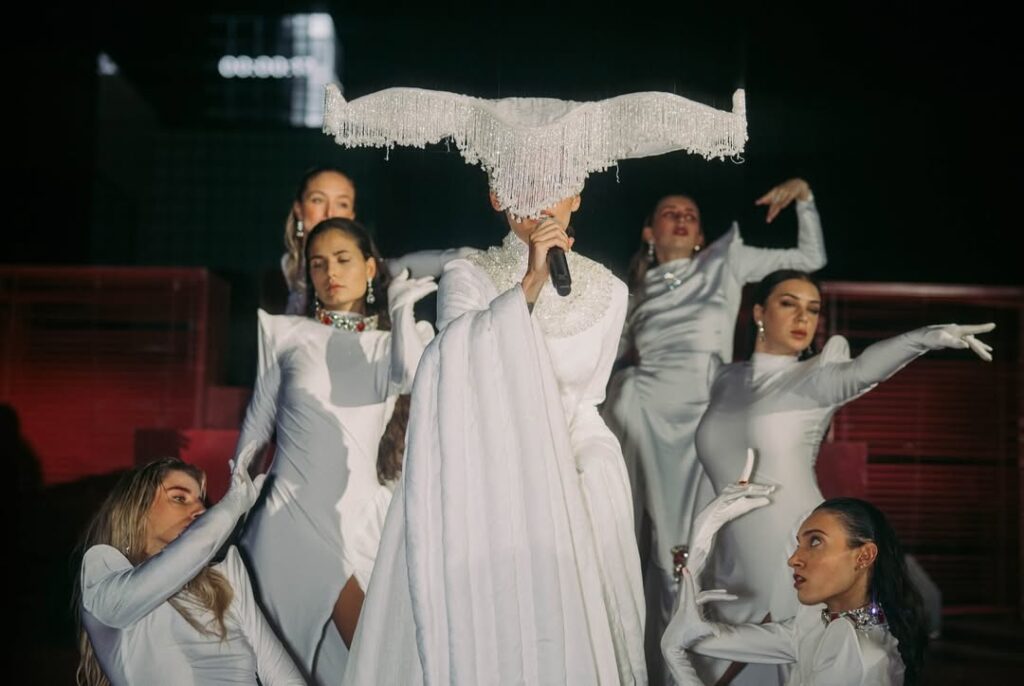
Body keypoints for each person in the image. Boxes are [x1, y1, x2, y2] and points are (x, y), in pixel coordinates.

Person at [322, 83, 748, 685]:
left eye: (554, 184)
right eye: (523, 184)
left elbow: (589, 398)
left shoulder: (611, 290)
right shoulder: (471, 273)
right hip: (488, 481)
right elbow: (451, 367)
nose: (540, 200)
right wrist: (528, 285)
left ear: (577, 193)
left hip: (576, 479)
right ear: (498, 194)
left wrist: (583, 467)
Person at [692, 268, 993, 684]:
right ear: (759, 312)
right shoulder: (726, 379)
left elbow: (866, 369)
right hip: (729, 557)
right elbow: (709, 471)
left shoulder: (815, 377)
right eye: (789, 304)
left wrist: (925, 338)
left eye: (813, 309)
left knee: (783, 662)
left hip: (791, 545)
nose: (803, 317)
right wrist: (691, 539)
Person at [603, 180, 826, 682]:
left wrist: (805, 201)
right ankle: (667, 668)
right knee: (667, 551)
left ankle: (724, 660)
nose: (682, 218)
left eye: (691, 214)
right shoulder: (630, 293)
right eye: (670, 212)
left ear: (702, 235)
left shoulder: (727, 261)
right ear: (649, 232)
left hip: (710, 423)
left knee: (714, 546)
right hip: (650, 421)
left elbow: (811, 257)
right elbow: (604, 354)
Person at [236, 217, 437, 684]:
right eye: (318, 264)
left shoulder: (390, 343)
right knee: (287, 665)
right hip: (284, 522)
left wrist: (402, 310)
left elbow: (410, 376)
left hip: (354, 521)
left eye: (343, 260)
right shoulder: (286, 334)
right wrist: (231, 505)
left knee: (379, 659)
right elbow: (256, 426)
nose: (330, 273)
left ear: (370, 268)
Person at [75, 449, 303, 685]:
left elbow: (283, 678)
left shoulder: (224, 577)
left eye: (201, 501)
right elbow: (192, 550)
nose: (201, 511)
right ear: (138, 510)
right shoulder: (101, 576)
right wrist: (231, 506)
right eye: (179, 498)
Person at [663, 494, 927, 686]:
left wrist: (679, 665)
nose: (794, 559)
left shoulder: (858, 654)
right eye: (799, 544)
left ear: (864, 556)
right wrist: (702, 535)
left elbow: (688, 641)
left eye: (816, 542)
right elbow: (701, 637)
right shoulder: (821, 623)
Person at [281, 165, 469, 314]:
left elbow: (397, 268)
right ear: (298, 209)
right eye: (318, 200)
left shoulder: (369, 269)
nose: (330, 213)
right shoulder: (286, 268)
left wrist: (466, 256)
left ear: (351, 215)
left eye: (342, 204)